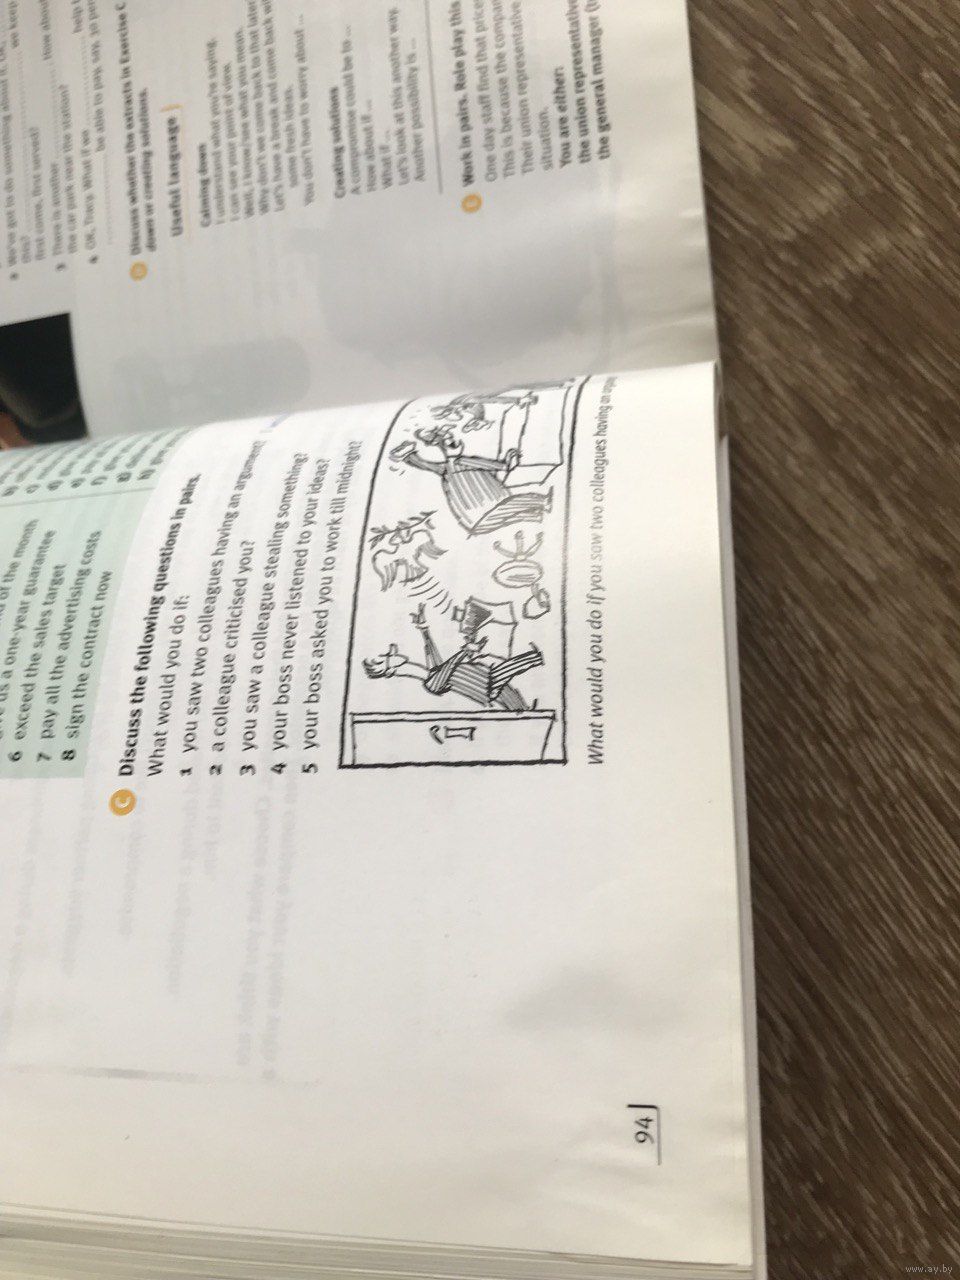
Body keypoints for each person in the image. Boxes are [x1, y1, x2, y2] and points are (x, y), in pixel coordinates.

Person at [363, 605, 543, 712]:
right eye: (385, 659)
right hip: (485, 685)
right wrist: (465, 651)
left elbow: (436, 659)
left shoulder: (433, 675)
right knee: (504, 671)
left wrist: (424, 629)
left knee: (513, 699)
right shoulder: (433, 684)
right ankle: (536, 657)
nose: (390, 652)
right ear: (390, 671)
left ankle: (526, 711)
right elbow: (449, 666)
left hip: (485, 679)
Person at [390, 426, 551, 536]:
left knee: (525, 516)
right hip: (494, 509)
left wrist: (408, 457)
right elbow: (505, 466)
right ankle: (544, 506)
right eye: (451, 441)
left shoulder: (446, 468)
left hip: (473, 524)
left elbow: (423, 464)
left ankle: (538, 518)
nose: (456, 442)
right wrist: (511, 456)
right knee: (531, 501)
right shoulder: (463, 461)